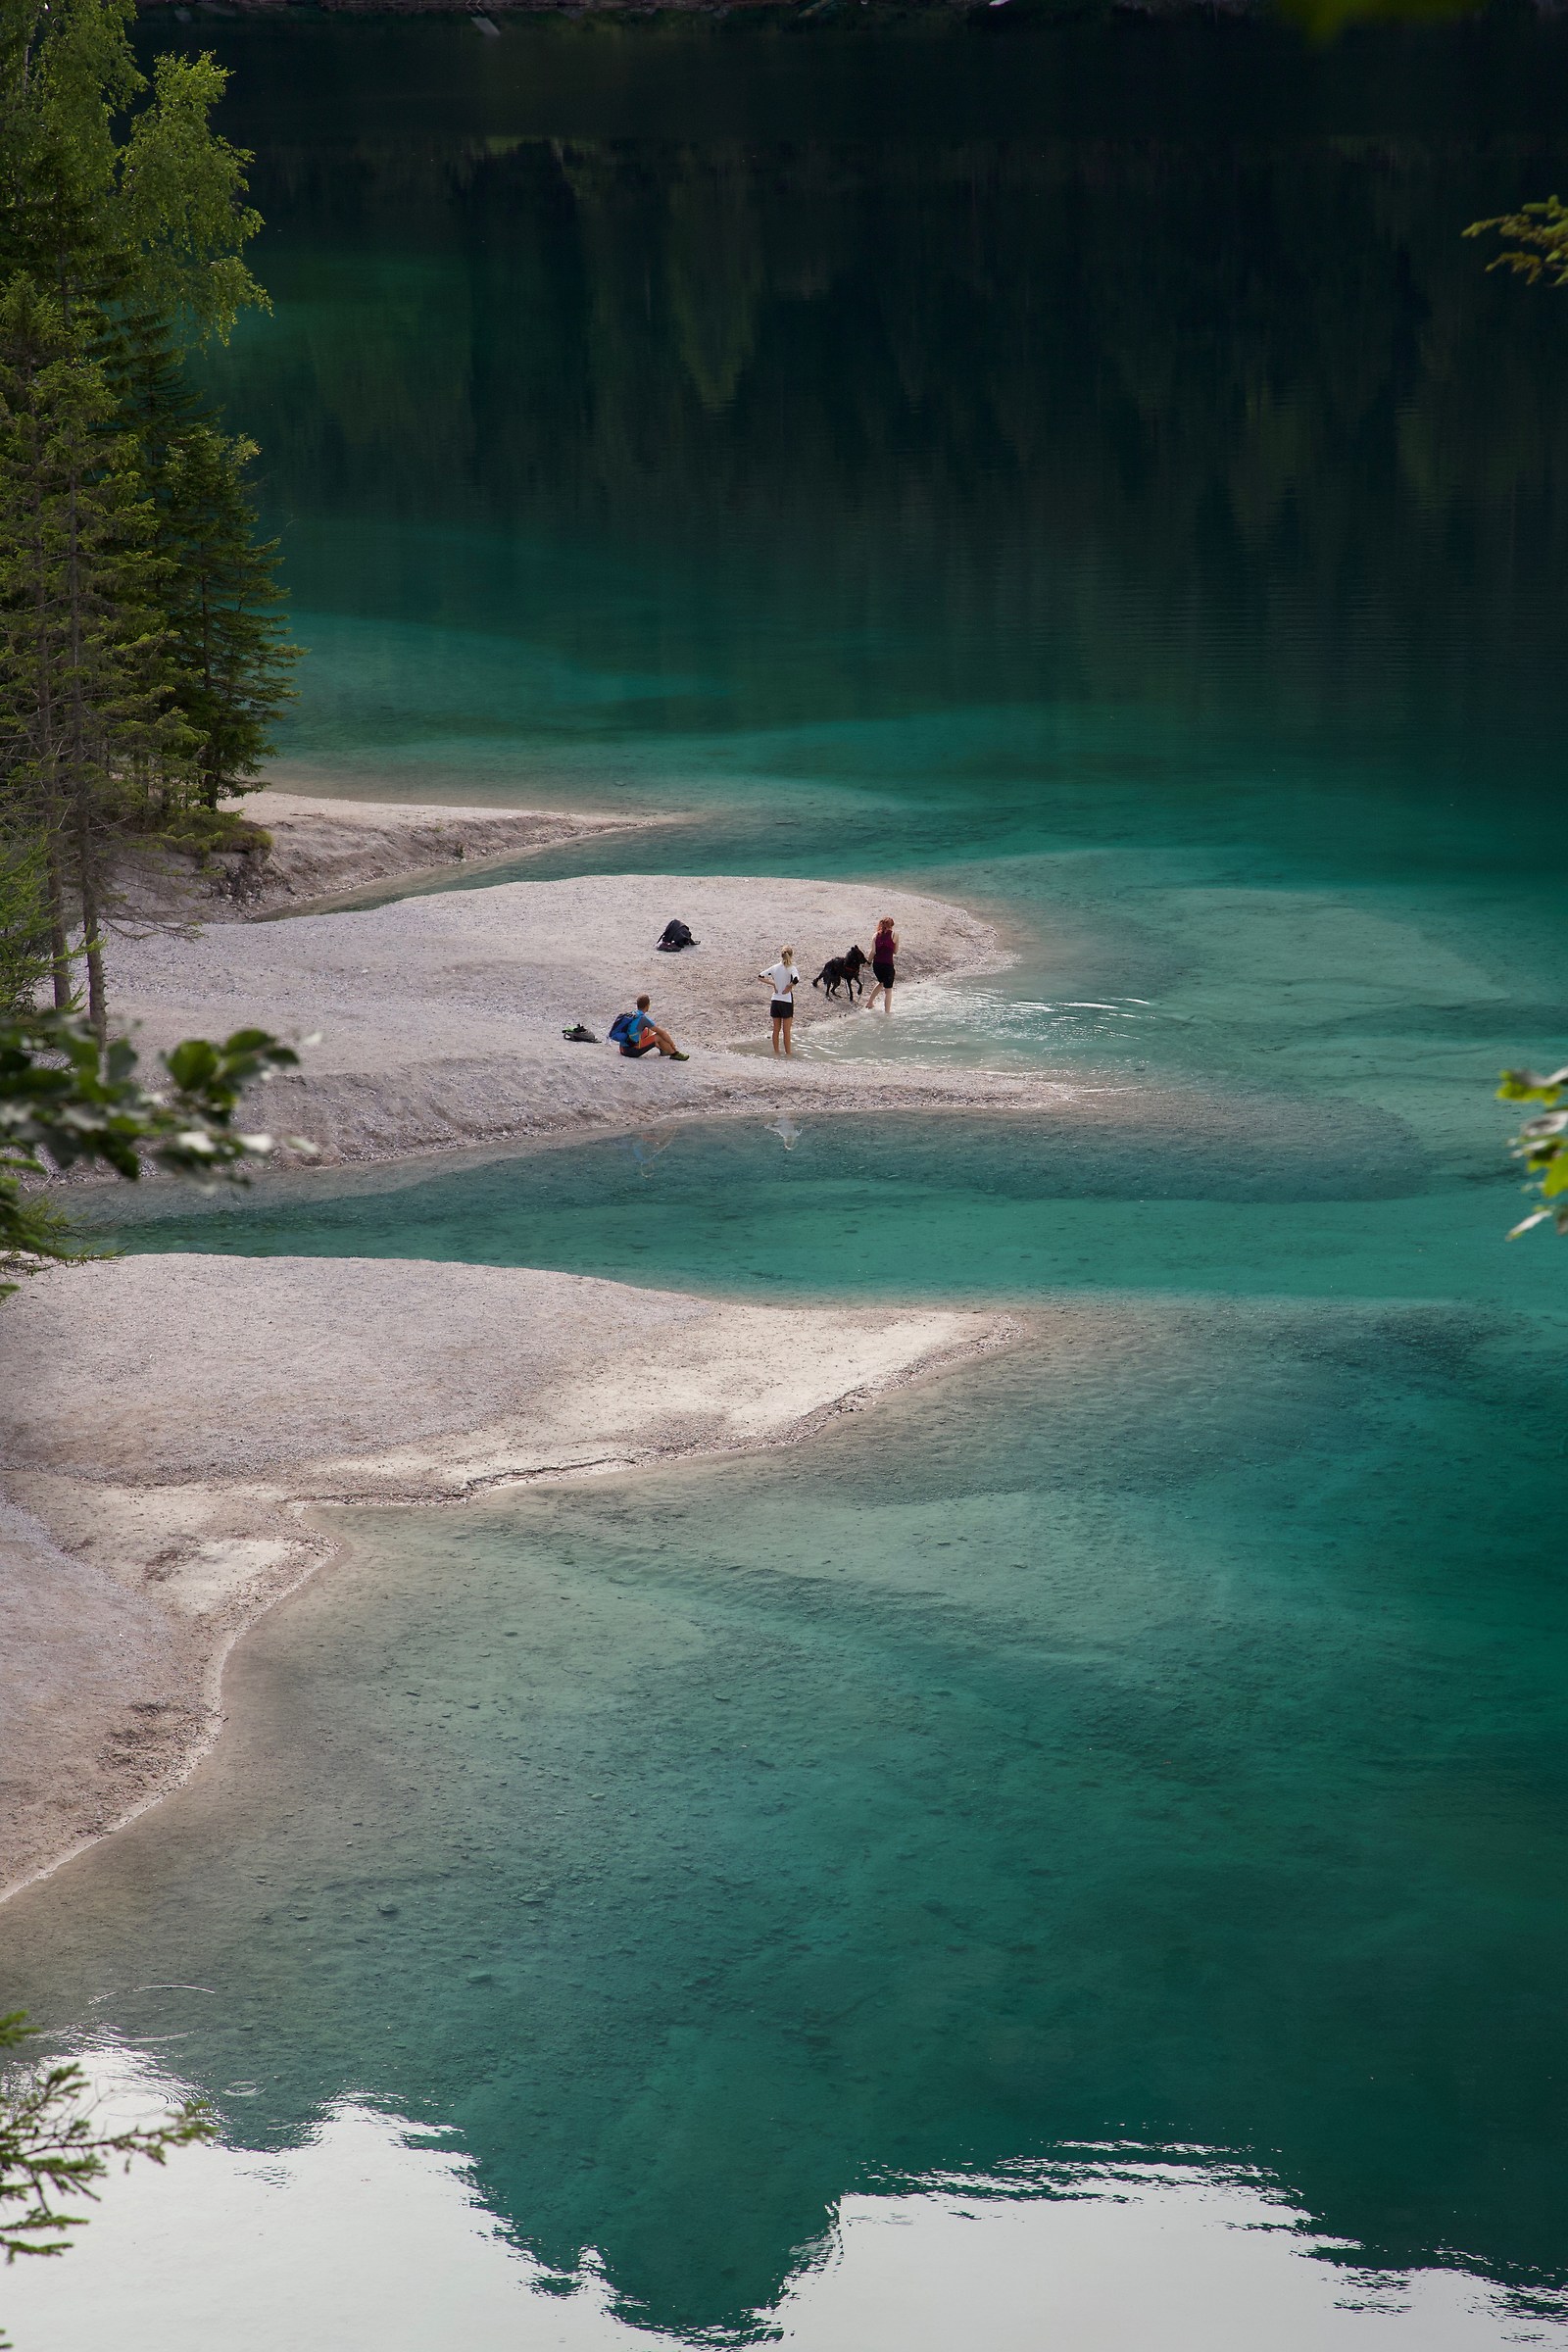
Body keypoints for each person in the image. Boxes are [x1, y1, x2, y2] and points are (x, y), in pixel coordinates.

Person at [613, 995, 689, 1060]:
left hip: (622, 1049)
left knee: (648, 1032)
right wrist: (672, 1044)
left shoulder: (633, 1014)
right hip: (631, 1052)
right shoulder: (643, 1019)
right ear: (647, 1005)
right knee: (658, 1036)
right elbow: (662, 1033)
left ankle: (664, 1050)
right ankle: (674, 1053)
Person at [759, 945, 802, 1057]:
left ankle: (776, 1052)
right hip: (786, 1001)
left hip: (775, 1000)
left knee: (776, 1029)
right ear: (791, 955)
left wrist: (773, 983)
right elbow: (797, 979)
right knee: (786, 1031)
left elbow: (760, 976)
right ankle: (788, 1054)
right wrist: (789, 986)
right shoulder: (791, 968)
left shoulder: (775, 967)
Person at [866, 916, 898, 1012]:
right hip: (888, 965)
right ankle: (887, 1013)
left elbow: (873, 951)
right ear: (891, 926)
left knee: (881, 983)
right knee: (888, 991)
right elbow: (895, 951)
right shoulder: (894, 934)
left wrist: (868, 963)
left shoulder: (875, 935)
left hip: (877, 965)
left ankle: (870, 1002)